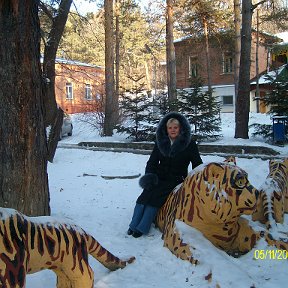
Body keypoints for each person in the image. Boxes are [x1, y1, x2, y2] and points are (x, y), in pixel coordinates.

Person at [127, 112, 203, 238]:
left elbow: (197, 164)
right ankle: (133, 225)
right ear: (166, 129)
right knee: (145, 195)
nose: (173, 130)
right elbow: (152, 162)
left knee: (156, 197)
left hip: (176, 179)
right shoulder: (161, 142)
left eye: (175, 127)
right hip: (159, 176)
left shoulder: (189, 144)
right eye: (170, 128)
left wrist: (199, 179)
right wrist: (150, 177)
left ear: (180, 128)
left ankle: (142, 227)